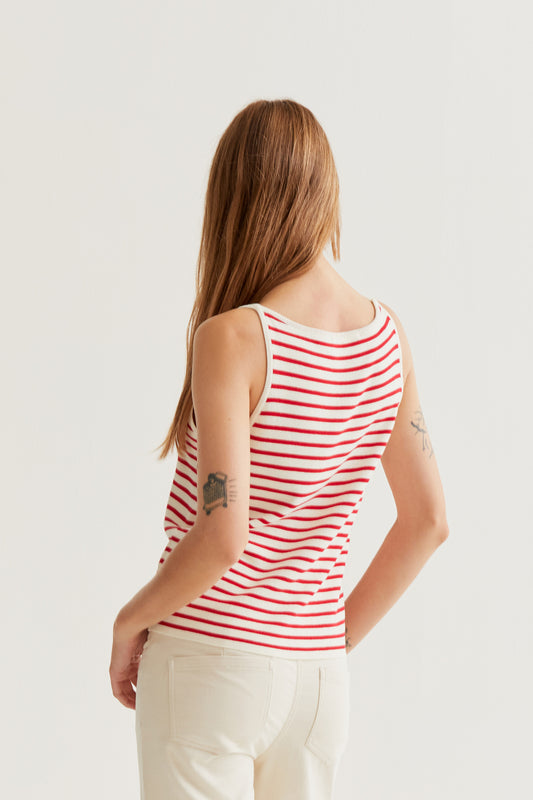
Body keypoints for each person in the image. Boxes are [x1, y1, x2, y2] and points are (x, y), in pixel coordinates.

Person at [109, 98, 449, 800]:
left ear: (233, 201)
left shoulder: (234, 337)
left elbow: (223, 532)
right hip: (317, 683)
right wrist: (322, 639)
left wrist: (130, 620)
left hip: (210, 659)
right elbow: (428, 521)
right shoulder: (388, 340)